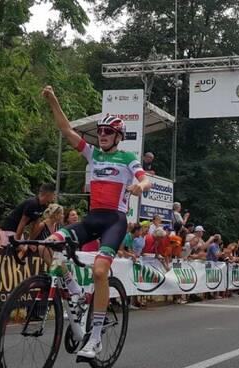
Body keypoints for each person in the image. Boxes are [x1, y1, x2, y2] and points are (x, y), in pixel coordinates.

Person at [42, 85, 151, 360]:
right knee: (46, 246)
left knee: (101, 272)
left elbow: (143, 178)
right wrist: (54, 100)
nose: (102, 135)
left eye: (108, 132)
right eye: (100, 131)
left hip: (115, 221)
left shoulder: (128, 158)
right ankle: (76, 291)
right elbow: (67, 130)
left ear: (118, 136)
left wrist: (142, 186)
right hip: (92, 219)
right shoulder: (94, 154)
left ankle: (96, 336)